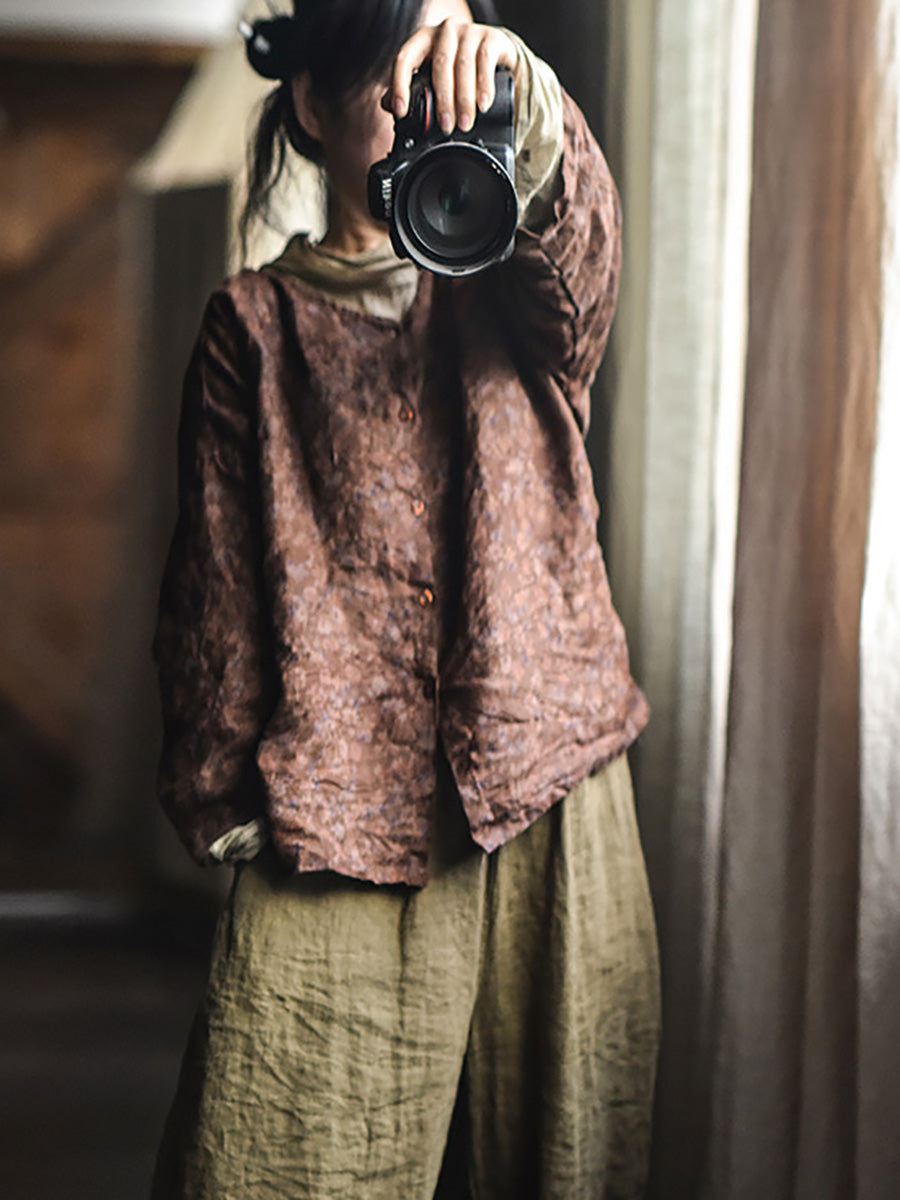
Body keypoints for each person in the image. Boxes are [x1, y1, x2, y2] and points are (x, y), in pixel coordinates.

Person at [149, 1, 661, 1197]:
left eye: (426, 75)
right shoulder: (252, 325)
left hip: (556, 783)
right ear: (317, 107)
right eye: (381, 81)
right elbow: (212, 596)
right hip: (336, 817)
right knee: (275, 1154)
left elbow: (587, 254)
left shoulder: (515, 286)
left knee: (572, 1156)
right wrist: (225, 797)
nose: (407, 103)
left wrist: (519, 98)